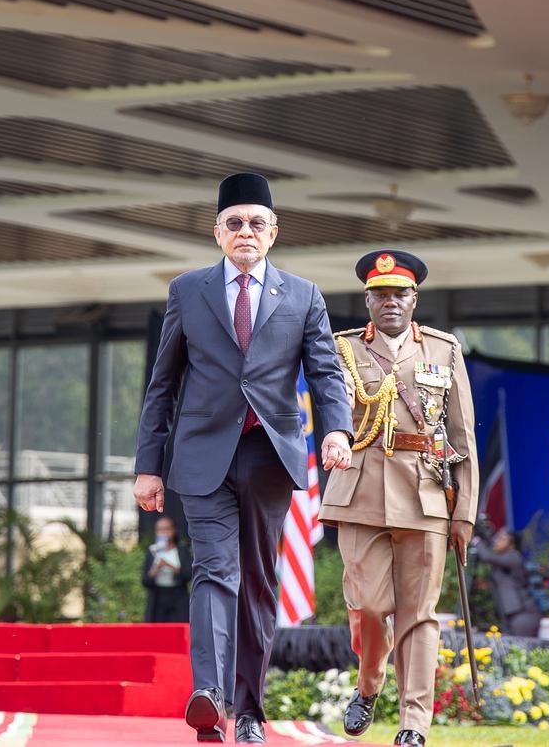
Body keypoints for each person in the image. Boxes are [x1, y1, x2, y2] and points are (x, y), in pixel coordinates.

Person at [133, 172, 353, 744]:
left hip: (270, 456)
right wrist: (148, 465)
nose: (245, 232)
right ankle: (209, 693)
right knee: (213, 570)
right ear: (217, 233)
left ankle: (250, 709)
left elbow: (326, 372)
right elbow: (163, 384)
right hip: (201, 456)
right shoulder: (188, 290)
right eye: (235, 223)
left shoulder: (303, 295)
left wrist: (336, 432)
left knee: (257, 580)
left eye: (257, 223)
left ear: (274, 233)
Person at [320, 249, 478, 747]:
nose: (390, 302)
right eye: (380, 294)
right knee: (367, 604)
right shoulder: (342, 349)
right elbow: (332, 407)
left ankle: (414, 724)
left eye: (399, 294)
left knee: (419, 612)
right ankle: (369, 684)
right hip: (360, 489)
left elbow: (462, 436)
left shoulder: (444, 349)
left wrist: (465, 513)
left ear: (414, 299)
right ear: (367, 300)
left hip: (426, 492)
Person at [476, 528, 539, 639]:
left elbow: (488, 557)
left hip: (523, 613)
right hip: (512, 613)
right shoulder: (505, 559)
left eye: (502, 538)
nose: (496, 541)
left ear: (512, 544)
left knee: (520, 647)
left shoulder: (514, 556)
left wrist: (476, 540)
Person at [142, 516, 192, 623]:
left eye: (167, 529)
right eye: (160, 529)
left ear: (173, 530)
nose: (163, 532)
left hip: (178, 596)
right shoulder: (152, 551)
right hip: (158, 596)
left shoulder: (182, 550)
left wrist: (170, 566)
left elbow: (189, 575)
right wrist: (156, 568)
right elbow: (145, 579)